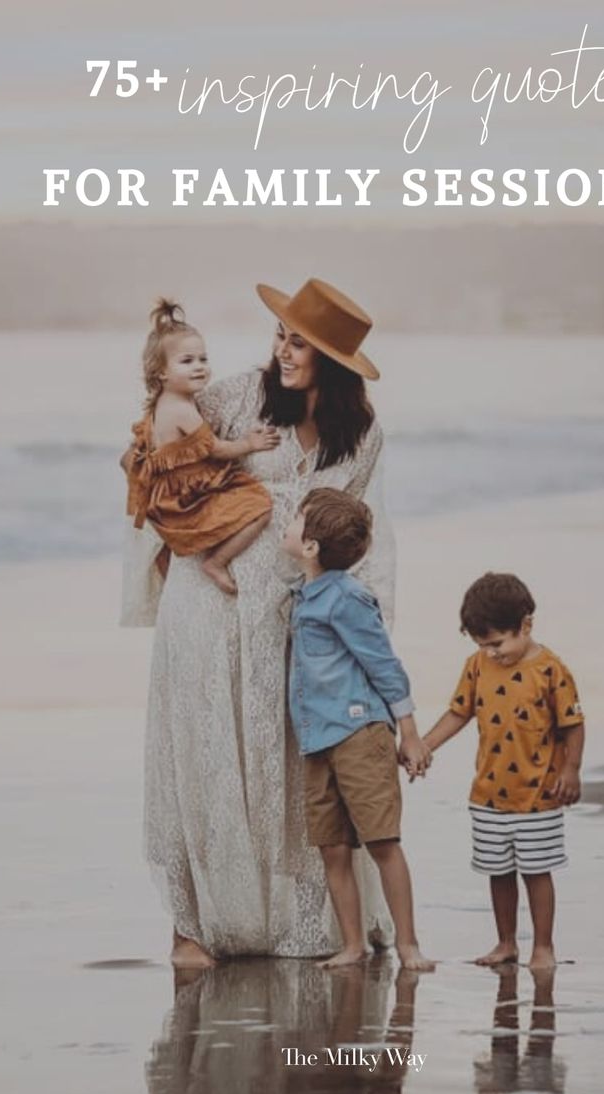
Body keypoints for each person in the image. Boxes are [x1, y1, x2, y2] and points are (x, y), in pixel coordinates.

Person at [122, 278, 398, 967]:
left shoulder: (360, 434)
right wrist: (178, 544)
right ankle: (193, 929)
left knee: (285, 762)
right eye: (281, 335)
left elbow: (359, 532)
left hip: (295, 617)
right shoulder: (233, 396)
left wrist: (359, 630)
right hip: (206, 603)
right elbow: (153, 453)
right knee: (207, 756)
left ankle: (303, 925)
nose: (282, 351)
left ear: (333, 360)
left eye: (299, 342)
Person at [282, 487, 434, 970]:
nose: (287, 525)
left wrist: (408, 733)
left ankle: (409, 944)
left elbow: (384, 664)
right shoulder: (303, 593)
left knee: (382, 841)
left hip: (358, 732)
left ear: (310, 547)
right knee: (331, 846)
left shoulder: (346, 597)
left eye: (295, 520)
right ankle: (352, 944)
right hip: (317, 738)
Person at [423, 573, 585, 969]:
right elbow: (459, 711)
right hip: (489, 793)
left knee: (536, 871)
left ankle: (543, 946)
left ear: (526, 625)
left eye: (497, 643)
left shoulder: (551, 670)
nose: (491, 653)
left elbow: (572, 724)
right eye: (483, 645)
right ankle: (506, 942)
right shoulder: (477, 666)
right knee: (498, 872)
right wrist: (424, 745)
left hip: (539, 796)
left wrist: (571, 770)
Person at [122, 299, 275, 595]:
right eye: (187, 361)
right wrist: (249, 443)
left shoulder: (160, 404)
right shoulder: (181, 408)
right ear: (161, 373)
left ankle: (172, 570)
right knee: (259, 508)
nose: (199, 368)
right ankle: (217, 562)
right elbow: (215, 449)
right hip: (184, 495)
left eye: (203, 359)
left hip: (164, 492)